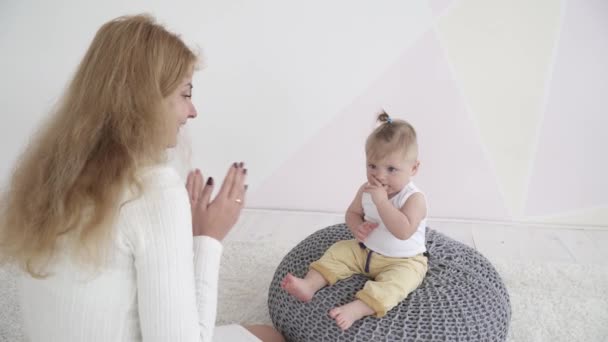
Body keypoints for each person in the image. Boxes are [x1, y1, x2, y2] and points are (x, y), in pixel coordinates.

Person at [0, 14, 284, 342]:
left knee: (263, 333)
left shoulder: (46, 175)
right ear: (147, 101)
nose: (192, 111)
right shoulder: (153, 190)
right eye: (185, 94)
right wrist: (207, 240)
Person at [281, 112, 429, 331]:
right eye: (372, 166)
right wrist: (357, 228)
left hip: (404, 260)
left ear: (413, 168)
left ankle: (359, 308)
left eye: (391, 169)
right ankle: (310, 284)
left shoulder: (414, 198)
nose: (379, 175)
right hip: (366, 251)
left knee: (398, 283)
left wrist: (382, 204)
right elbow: (352, 213)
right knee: (339, 250)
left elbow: (403, 231)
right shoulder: (366, 190)